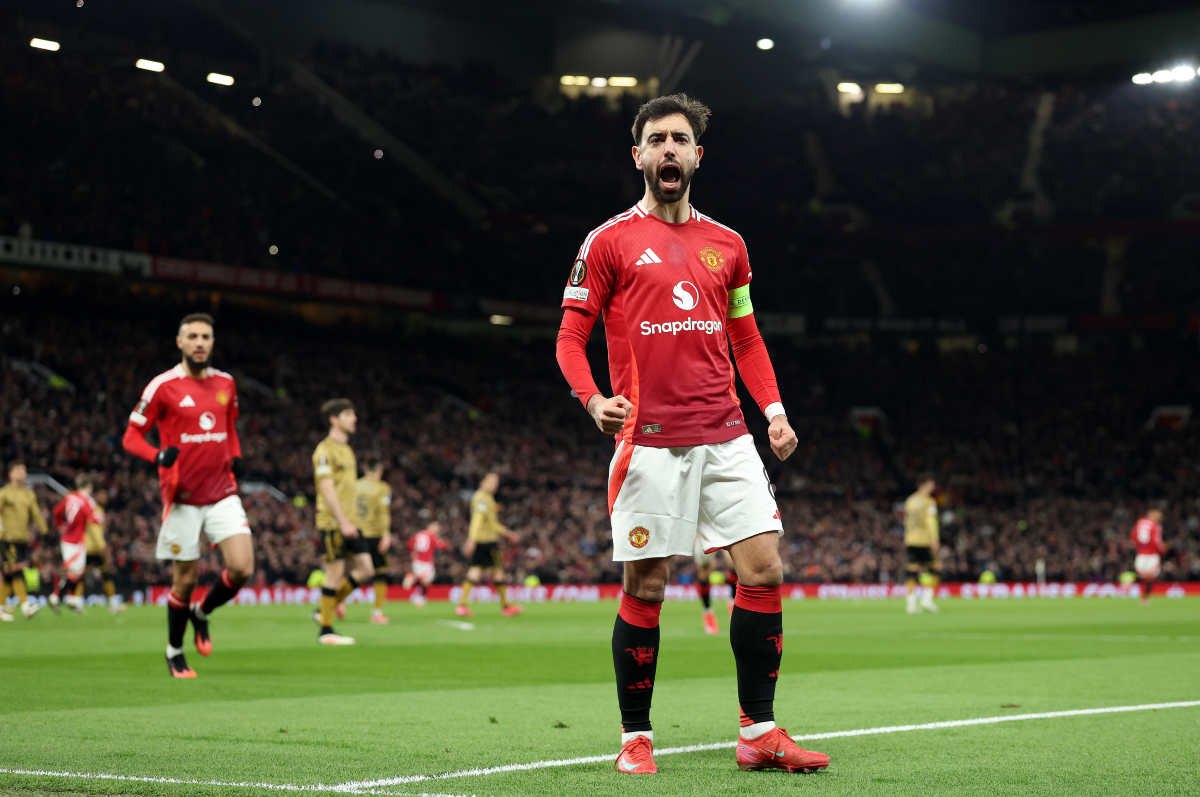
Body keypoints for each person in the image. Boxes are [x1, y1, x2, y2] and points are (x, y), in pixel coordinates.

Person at [554, 94, 829, 775]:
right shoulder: (608, 240)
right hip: (649, 440)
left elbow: (746, 336)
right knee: (647, 586)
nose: (669, 149)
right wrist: (591, 400)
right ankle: (635, 737)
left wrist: (774, 411)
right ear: (639, 155)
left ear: (697, 156)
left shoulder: (728, 245)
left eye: (680, 139)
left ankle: (758, 731)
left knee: (763, 569)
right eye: (657, 139)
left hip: (728, 433)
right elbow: (568, 338)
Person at [122, 312, 254, 678]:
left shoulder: (226, 382)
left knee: (242, 567)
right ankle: (175, 650)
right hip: (182, 498)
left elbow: (229, 427)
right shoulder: (162, 386)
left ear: (213, 342)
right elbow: (130, 437)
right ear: (179, 342)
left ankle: (203, 612)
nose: (200, 342)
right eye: (192, 336)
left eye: (206, 337)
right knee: (185, 580)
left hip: (222, 492)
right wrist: (157, 456)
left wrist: (237, 457)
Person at [311, 398, 372, 644]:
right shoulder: (324, 451)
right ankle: (325, 631)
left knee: (366, 569)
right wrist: (343, 521)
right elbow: (327, 488)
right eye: (348, 414)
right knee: (334, 573)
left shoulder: (347, 449)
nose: (354, 418)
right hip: (333, 522)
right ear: (334, 420)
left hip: (350, 522)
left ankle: (324, 609)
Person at [456, 472, 522, 618]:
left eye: (496, 483)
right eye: (491, 482)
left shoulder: (484, 498)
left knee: (475, 571)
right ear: (482, 482)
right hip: (487, 542)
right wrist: (471, 539)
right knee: (498, 572)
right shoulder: (483, 499)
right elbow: (478, 520)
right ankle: (505, 606)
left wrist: (506, 533)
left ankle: (461, 605)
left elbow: (490, 523)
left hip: (481, 541)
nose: (494, 485)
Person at [50, 473, 103, 614]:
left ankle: (71, 599)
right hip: (76, 541)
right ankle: (56, 596)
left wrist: (60, 525)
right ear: (89, 487)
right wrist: (101, 518)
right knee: (74, 572)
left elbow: (56, 511)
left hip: (67, 539)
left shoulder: (69, 497)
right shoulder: (86, 501)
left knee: (76, 572)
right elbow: (94, 518)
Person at [0, 461, 47, 620]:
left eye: (23, 470)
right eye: (18, 470)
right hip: (8, 537)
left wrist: (44, 530)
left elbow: (36, 514)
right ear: (10, 474)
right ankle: (26, 607)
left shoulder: (29, 494)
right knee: (17, 569)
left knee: (9, 575)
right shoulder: (5, 493)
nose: (22, 472)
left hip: (23, 538)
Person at [354, 457, 393, 624]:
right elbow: (384, 512)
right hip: (374, 534)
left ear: (364, 468)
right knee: (380, 573)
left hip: (355, 533)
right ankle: (377, 611)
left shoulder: (354, 485)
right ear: (380, 471)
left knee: (357, 572)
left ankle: (339, 603)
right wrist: (386, 533)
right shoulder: (382, 487)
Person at [80, 489, 125, 614]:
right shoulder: (96, 510)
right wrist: (102, 547)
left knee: (85, 574)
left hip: (89, 546)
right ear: (96, 495)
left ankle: (76, 601)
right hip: (93, 548)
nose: (105, 497)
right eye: (102, 494)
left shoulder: (97, 509)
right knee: (103, 574)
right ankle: (112, 603)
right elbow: (95, 530)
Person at [903, 475, 941, 615]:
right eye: (931, 485)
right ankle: (927, 599)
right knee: (937, 567)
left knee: (913, 570)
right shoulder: (928, 501)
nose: (933, 488)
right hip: (924, 539)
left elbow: (906, 521)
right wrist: (934, 539)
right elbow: (931, 521)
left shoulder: (910, 500)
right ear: (923, 485)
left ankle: (911, 603)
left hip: (910, 539)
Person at [694, 536, 736, 635]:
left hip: (724, 523)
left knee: (734, 561)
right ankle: (708, 611)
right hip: (704, 526)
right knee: (704, 572)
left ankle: (733, 603)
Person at [403, 521, 447, 607]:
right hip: (426, 561)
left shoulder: (419, 534)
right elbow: (441, 546)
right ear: (430, 526)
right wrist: (445, 541)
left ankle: (420, 598)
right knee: (427, 580)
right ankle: (412, 576)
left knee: (425, 581)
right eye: (436, 527)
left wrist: (412, 553)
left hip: (417, 560)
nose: (437, 529)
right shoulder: (432, 536)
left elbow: (409, 544)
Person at [1130, 508, 1167, 605]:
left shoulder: (1140, 522)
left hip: (1140, 553)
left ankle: (1142, 596)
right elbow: (1156, 541)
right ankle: (1145, 597)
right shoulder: (1155, 525)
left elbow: (1133, 537)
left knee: (1142, 575)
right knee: (1151, 576)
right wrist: (1163, 550)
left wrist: (1139, 548)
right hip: (1152, 554)